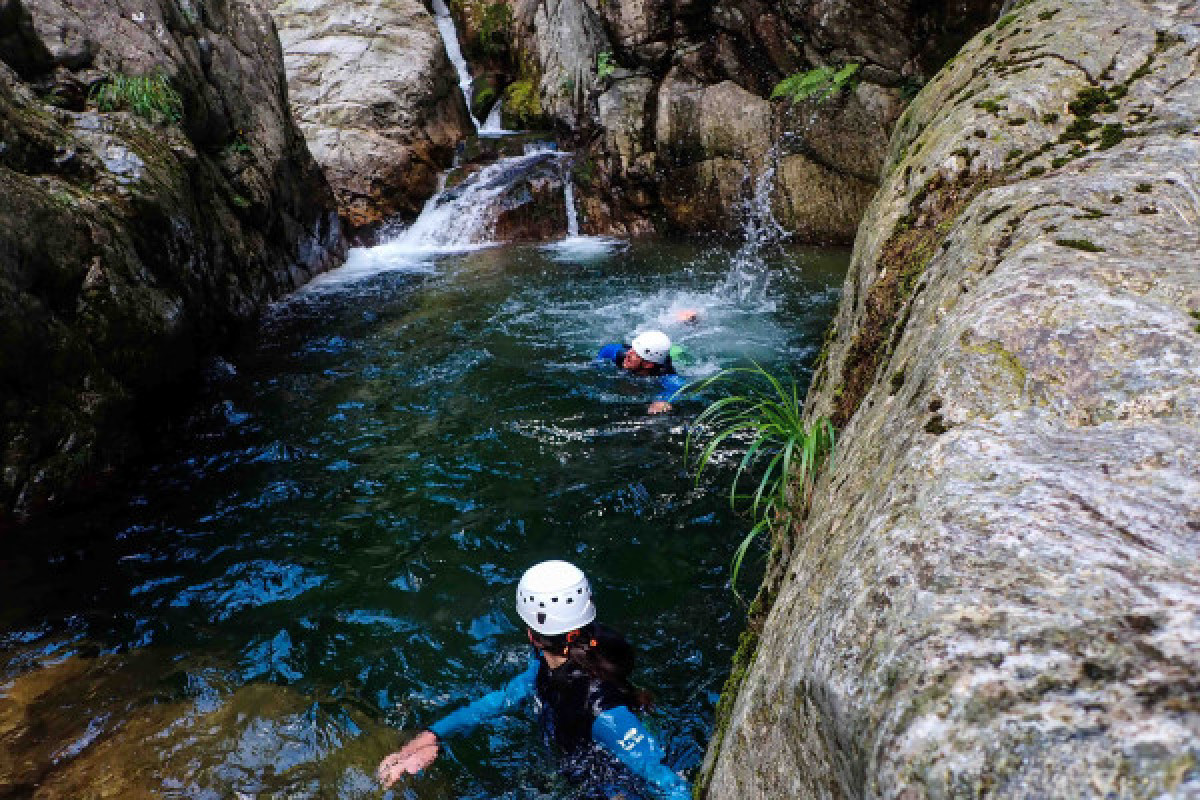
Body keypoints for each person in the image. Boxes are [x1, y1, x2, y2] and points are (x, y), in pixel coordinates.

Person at [377, 560, 691, 800]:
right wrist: (432, 735)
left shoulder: (603, 713)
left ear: (532, 634)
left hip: (610, 781)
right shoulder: (552, 663)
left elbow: (666, 780)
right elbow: (501, 700)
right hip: (580, 757)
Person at [596, 330, 688, 414]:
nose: (628, 354)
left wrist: (663, 400)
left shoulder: (666, 376)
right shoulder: (613, 353)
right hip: (657, 358)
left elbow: (681, 390)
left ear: (648, 365)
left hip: (673, 358)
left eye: (635, 354)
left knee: (680, 355)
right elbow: (601, 357)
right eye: (632, 349)